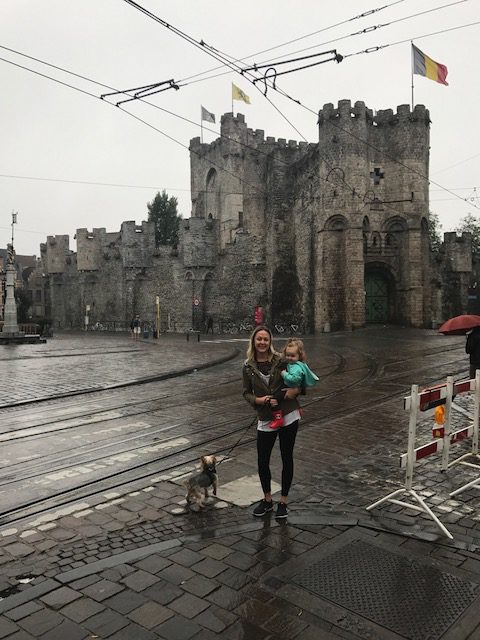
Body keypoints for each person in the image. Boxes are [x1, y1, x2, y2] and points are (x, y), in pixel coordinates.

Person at [242, 325, 301, 519]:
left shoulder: (281, 360)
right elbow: (246, 393)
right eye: (259, 339)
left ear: (270, 342)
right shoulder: (248, 366)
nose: (262, 342)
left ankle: (283, 501)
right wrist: (257, 401)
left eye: (265, 339)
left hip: (288, 414)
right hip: (266, 417)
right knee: (262, 460)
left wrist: (295, 391)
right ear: (254, 341)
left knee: (286, 457)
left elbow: (300, 376)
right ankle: (267, 500)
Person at [269, 337, 319, 429]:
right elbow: (281, 356)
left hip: (289, 385)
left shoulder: (296, 368)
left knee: (274, 399)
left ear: (299, 356)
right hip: (290, 386)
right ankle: (298, 408)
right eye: (288, 355)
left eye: (292, 356)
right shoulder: (294, 363)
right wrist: (272, 351)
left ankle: (278, 418)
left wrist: (284, 374)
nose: (289, 358)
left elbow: (294, 379)